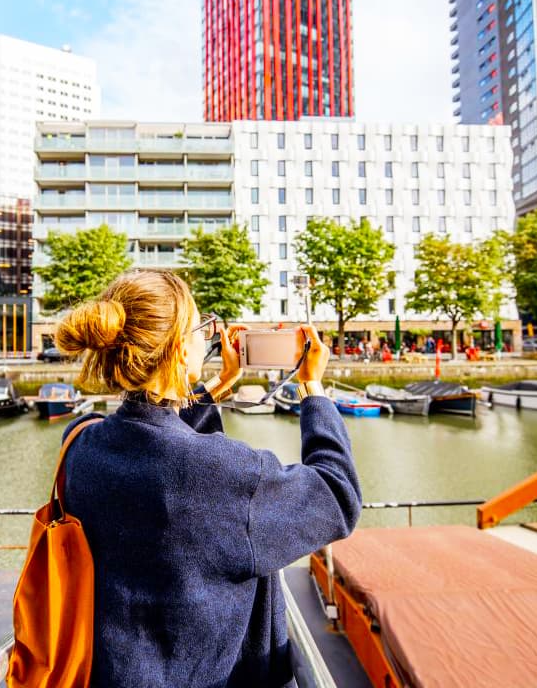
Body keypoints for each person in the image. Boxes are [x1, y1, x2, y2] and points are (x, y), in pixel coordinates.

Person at [53, 269, 361, 687]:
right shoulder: (228, 473)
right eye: (202, 327)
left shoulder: (81, 446)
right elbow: (337, 496)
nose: (208, 337)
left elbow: (159, 442)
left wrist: (217, 386)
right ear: (181, 349)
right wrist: (313, 389)